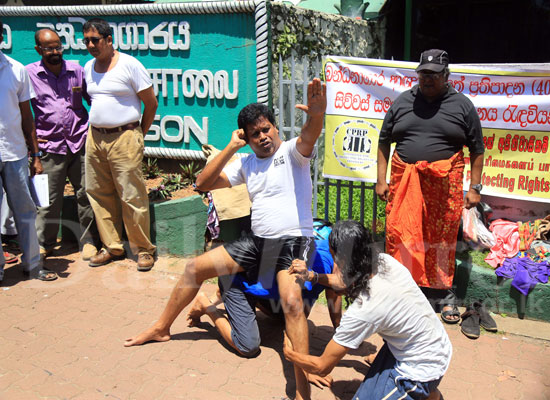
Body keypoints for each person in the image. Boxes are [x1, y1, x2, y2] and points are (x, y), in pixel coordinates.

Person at [124, 79, 326, 400]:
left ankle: (301, 393)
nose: (262, 137)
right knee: (194, 268)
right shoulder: (245, 163)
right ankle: (161, 328)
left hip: (290, 247)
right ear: (246, 137)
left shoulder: (292, 153)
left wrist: (317, 115)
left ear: (276, 129)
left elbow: (309, 134)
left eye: (266, 129)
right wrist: (232, 147)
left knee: (291, 304)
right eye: (254, 133)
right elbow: (203, 183)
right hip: (256, 244)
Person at [284, 220, 451, 400]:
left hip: (419, 371)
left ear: (343, 261)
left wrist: (291, 354)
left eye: (334, 257)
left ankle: (423, 391)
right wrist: (312, 276)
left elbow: (322, 366)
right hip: (433, 343)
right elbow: (343, 281)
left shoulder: (364, 309)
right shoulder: (384, 261)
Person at [376, 49, 485, 324]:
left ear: (446, 76)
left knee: (442, 238)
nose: (427, 79)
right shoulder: (403, 102)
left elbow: (477, 149)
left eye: (434, 75)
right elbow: (384, 141)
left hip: (444, 185)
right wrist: (381, 179)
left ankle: (444, 294)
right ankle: (401, 292)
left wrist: (475, 187)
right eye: (424, 73)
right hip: (405, 182)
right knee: (401, 234)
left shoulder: (462, 105)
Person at [186, 238, 341, 389]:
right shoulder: (309, 272)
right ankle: (207, 306)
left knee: (284, 316)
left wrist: (339, 332)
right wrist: (306, 368)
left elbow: (334, 295)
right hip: (235, 280)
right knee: (248, 346)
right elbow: (294, 323)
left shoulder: (328, 240)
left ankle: (227, 297)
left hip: (257, 277)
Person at [82, 18, 158, 271]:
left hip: (125, 137)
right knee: (99, 193)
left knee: (132, 195)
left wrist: (138, 134)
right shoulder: (88, 67)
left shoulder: (129, 64)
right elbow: (91, 98)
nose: (91, 44)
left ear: (109, 40)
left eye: (96, 40)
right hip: (95, 138)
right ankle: (112, 247)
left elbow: (151, 103)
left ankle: (143, 250)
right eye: (87, 40)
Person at [26, 28, 99, 261]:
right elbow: (23, 113)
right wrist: (34, 152)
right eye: (49, 48)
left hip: (79, 143)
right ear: (39, 49)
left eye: (58, 46)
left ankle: (88, 242)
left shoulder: (76, 71)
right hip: (49, 148)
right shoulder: (29, 74)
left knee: (86, 194)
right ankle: (45, 244)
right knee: (47, 201)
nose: (55, 51)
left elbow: (94, 101)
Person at [0, 19, 57, 282]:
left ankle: (33, 266)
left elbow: (27, 116)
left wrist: (35, 156)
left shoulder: (16, 70)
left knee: (26, 211)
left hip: (15, 154)